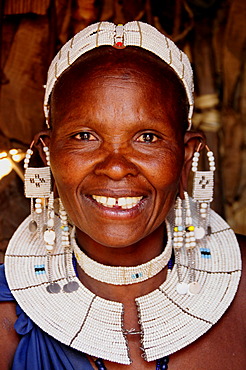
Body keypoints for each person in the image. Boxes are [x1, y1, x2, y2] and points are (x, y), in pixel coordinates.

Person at [0, 21, 245, 370]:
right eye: (84, 136)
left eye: (147, 138)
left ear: (187, 155)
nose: (115, 167)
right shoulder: (7, 319)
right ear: (47, 153)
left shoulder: (243, 289)